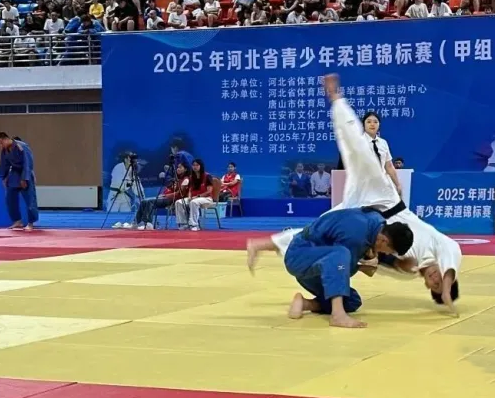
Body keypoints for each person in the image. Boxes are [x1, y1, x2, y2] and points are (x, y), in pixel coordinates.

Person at [251, 74, 462, 316]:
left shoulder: (408, 272)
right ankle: (336, 98)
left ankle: (262, 245)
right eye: (441, 279)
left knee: (318, 230)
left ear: (427, 286)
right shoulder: (438, 246)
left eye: (435, 286)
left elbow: (374, 259)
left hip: (362, 215)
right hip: (385, 201)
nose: (435, 279)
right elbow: (453, 249)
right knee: (360, 151)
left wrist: (381, 263)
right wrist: (447, 290)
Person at [248, 207, 414, 328]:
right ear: (384, 240)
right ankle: (337, 315)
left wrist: (382, 262)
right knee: (341, 254)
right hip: (299, 257)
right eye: (388, 251)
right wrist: (361, 267)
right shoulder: (357, 234)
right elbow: (341, 266)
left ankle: (305, 304)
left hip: (317, 263)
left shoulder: (376, 223)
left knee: (352, 300)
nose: (384, 253)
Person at [0, 132, 39, 231]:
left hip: (25, 172)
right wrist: (4, 177)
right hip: (14, 174)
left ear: (6, 139)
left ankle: (31, 223)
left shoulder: (22, 146)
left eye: (1, 143)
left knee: (30, 199)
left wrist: (24, 178)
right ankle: (17, 221)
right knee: (10, 198)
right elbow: (4, 164)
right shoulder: (5, 150)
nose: (0, 146)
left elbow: (28, 163)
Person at [134, 162, 190, 230]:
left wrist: (166, 196)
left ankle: (147, 224)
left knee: (150, 202)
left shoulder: (186, 179)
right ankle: (136, 222)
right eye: (178, 167)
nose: (178, 169)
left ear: (185, 169)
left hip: (173, 200)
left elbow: (180, 194)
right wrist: (166, 190)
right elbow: (171, 188)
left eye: (180, 167)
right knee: (144, 201)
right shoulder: (177, 179)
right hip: (167, 197)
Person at [175, 159, 214, 231]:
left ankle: (194, 225)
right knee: (178, 202)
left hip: (207, 198)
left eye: (197, 165)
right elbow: (190, 189)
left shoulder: (207, 176)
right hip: (193, 197)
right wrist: (189, 197)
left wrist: (198, 196)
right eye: (193, 165)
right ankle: (183, 224)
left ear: (201, 166)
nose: (195, 167)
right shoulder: (191, 177)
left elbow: (209, 191)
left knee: (194, 202)